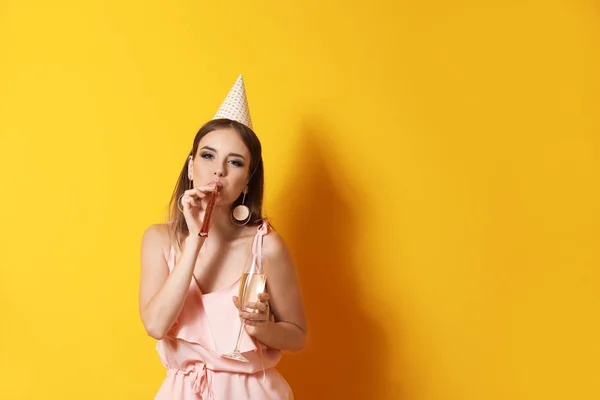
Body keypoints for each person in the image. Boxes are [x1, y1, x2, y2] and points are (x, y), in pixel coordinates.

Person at [139, 75, 307, 399]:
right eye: (208, 156)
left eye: (235, 162)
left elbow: (297, 335)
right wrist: (195, 239)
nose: (219, 171)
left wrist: (262, 328)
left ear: (246, 181)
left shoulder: (266, 246)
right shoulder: (158, 240)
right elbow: (156, 326)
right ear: (190, 167)